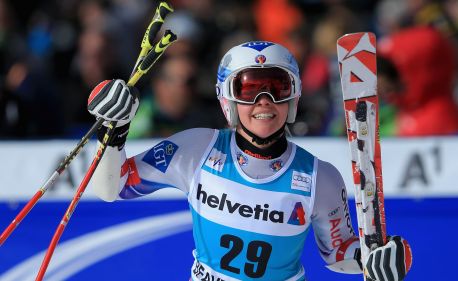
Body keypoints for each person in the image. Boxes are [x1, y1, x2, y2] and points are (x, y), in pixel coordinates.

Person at [87, 41, 412, 281]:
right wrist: (113, 131)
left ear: (294, 97)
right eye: (249, 89)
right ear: (227, 99)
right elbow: (112, 187)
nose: (264, 102)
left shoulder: (318, 177)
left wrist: (378, 259)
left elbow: (339, 254)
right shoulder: (197, 148)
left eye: (277, 87)